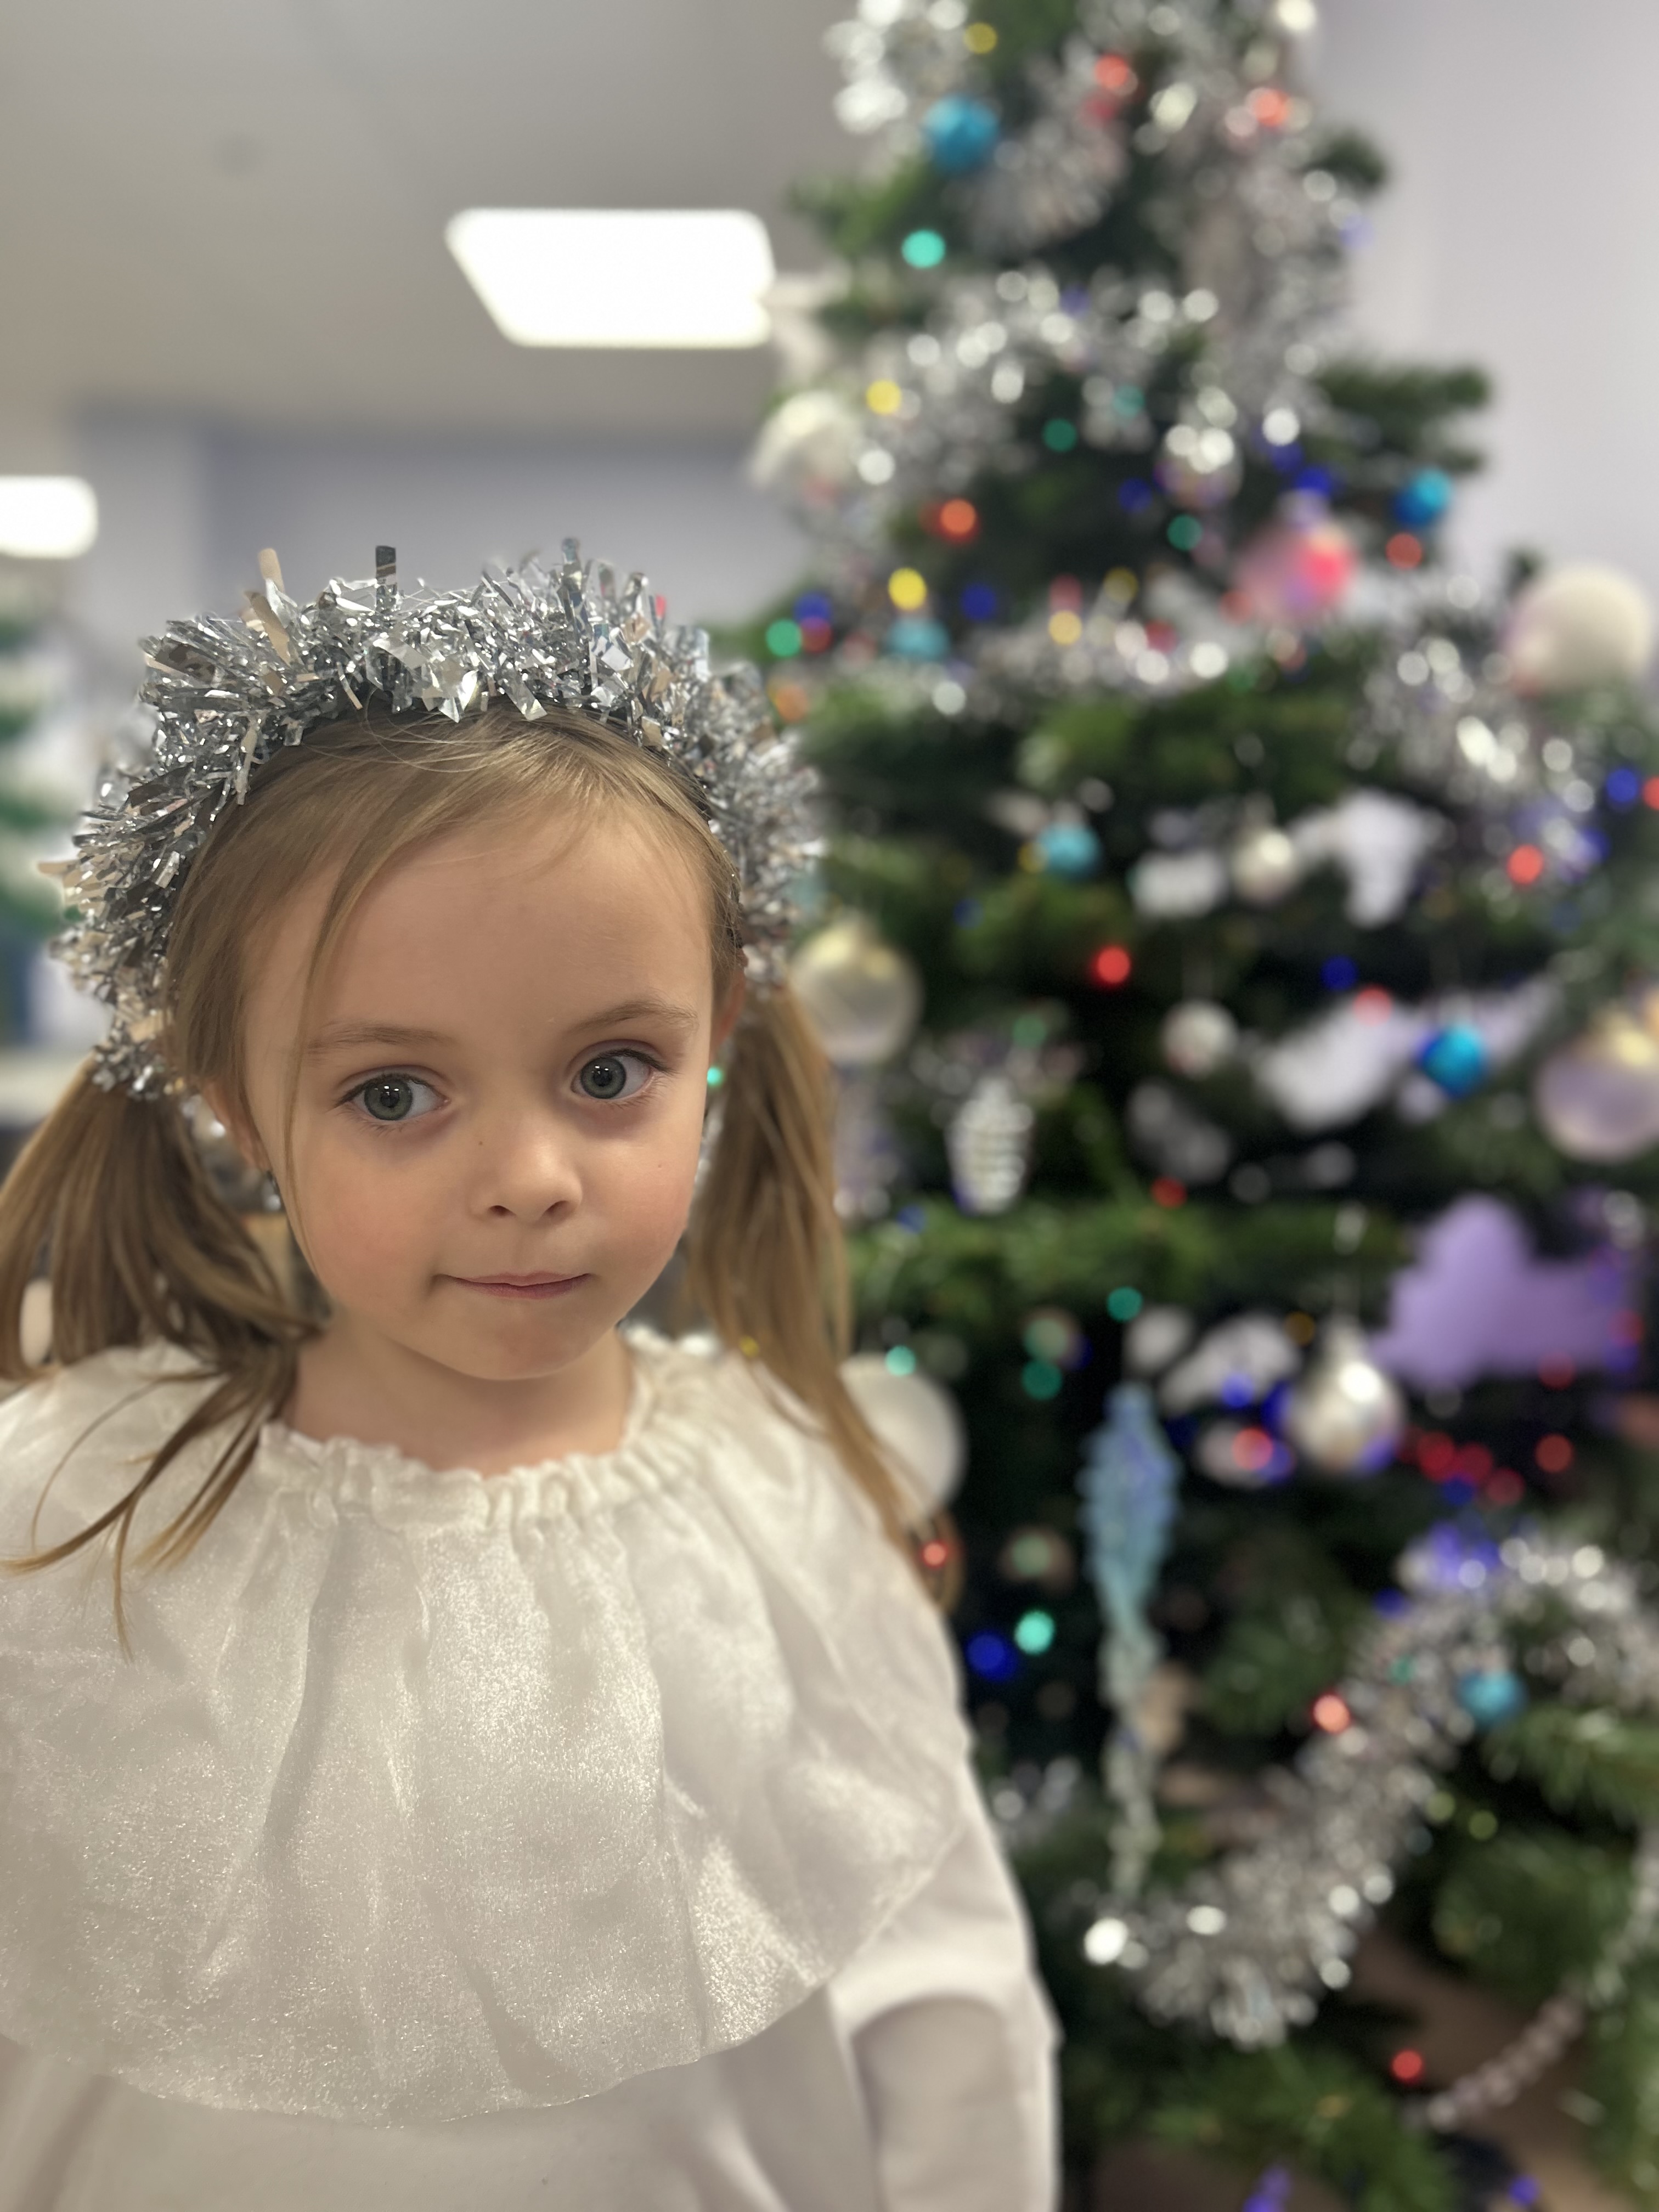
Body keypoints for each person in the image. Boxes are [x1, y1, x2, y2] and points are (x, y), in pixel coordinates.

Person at [0, 546, 1062, 2211]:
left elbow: (944, 2005)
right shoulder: (80, 1508)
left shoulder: (778, 1515)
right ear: (233, 1100)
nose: (530, 1180)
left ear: (715, 1037)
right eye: (395, 1095)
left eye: (611, 1071)